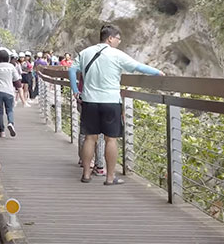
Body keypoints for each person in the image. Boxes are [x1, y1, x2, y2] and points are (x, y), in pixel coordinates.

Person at [69, 25, 165, 185]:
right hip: (111, 101)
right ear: (110, 38)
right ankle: (110, 177)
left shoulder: (85, 53)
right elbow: (138, 67)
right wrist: (157, 72)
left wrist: (74, 90)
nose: (119, 42)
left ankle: (86, 174)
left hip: (90, 101)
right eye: (118, 39)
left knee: (90, 138)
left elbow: (72, 70)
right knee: (111, 140)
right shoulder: (117, 54)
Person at [0, 49, 21, 138]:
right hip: (9, 91)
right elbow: (16, 79)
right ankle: (10, 123)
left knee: (0, 111)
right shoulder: (11, 67)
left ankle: (2, 132)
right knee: (10, 110)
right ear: (8, 58)